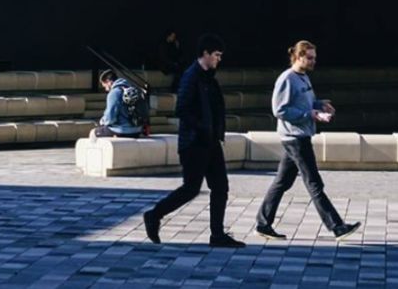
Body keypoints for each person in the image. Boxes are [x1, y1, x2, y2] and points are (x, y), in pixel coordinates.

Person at [143, 34, 244, 249]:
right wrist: (202, 128)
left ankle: (217, 235)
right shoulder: (191, 76)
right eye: (216, 55)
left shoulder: (208, 77)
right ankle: (154, 215)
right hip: (194, 143)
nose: (219, 59)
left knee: (220, 187)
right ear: (205, 54)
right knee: (191, 188)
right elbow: (182, 110)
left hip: (210, 142)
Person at [255, 40, 360, 239]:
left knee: (282, 182)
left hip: (299, 136)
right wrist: (310, 114)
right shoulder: (287, 79)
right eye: (309, 58)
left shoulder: (304, 78)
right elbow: (279, 110)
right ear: (298, 56)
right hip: (295, 138)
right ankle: (337, 226)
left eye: (314, 58)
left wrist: (321, 105)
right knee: (314, 183)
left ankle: (263, 223)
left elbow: (307, 103)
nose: (313, 61)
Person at [90, 69, 143, 138]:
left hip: (121, 130)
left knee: (93, 133)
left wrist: (102, 121)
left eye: (105, 86)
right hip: (137, 130)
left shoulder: (114, 93)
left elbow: (110, 118)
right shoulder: (133, 90)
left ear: (108, 82)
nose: (106, 89)